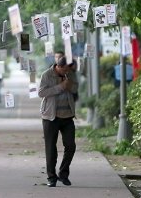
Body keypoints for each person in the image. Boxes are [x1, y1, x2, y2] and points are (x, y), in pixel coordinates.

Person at [38, 55, 77, 187]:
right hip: (50, 117)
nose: (67, 72)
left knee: (71, 146)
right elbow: (41, 93)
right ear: (58, 66)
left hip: (67, 116)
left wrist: (70, 86)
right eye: (64, 70)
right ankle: (51, 177)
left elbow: (75, 90)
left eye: (68, 70)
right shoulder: (46, 75)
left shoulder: (70, 74)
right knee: (51, 148)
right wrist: (60, 87)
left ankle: (63, 173)